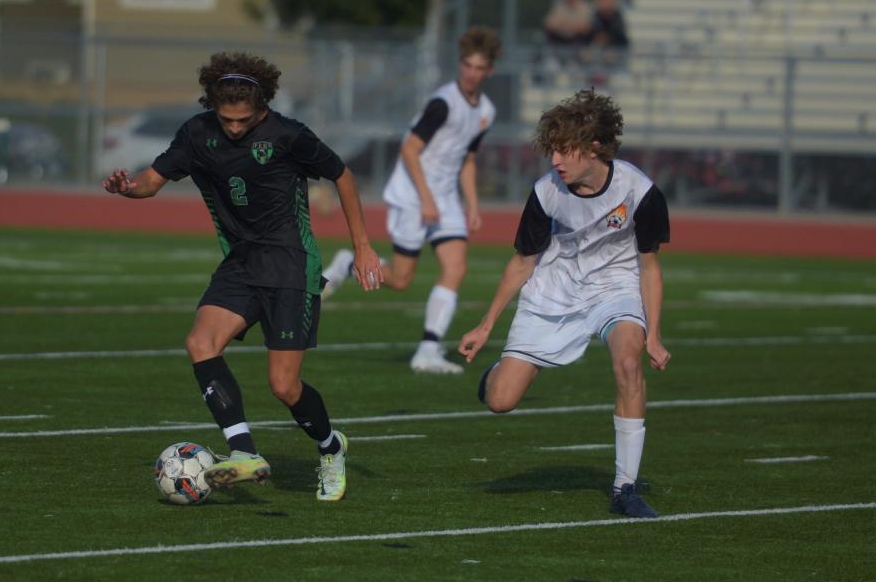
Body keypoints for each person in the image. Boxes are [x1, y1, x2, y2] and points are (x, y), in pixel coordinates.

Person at [102, 51, 382, 502]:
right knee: (200, 343)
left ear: (262, 105)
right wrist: (126, 188)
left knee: (284, 386)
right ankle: (244, 451)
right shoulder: (196, 134)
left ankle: (331, 448)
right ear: (212, 105)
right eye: (226, 119)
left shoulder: (289, 134)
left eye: (244, 120)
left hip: (291, 265)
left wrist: (364, 246)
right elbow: (151, 182)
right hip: (241, 263)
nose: (234, 127)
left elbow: (342, 175)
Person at [458, 89, 671, 518]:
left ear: (594, 146)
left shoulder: (639, 191)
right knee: (501, 401)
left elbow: (649, 267)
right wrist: (485, 325)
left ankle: (624, 488)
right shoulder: (546, 192)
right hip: (554, 288)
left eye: (564, 150)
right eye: (551, 150)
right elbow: (522, 263)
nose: (555, 161)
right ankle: (497, 373)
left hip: (615, 287)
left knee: (628, 364)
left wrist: (654, 335)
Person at [321, 27, 501, 375]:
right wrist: (426, 199)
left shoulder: (486, 112)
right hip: (413, 196)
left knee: (456, 267)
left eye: (479, 67)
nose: (470, 73)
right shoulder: (443, 103)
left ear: (489, 71)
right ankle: (347, 263)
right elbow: (409, 149)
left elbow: (468, 159)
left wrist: (473, 204)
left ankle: (428, 350)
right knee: (401, 279)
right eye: (466, 64)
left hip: (445, 197)